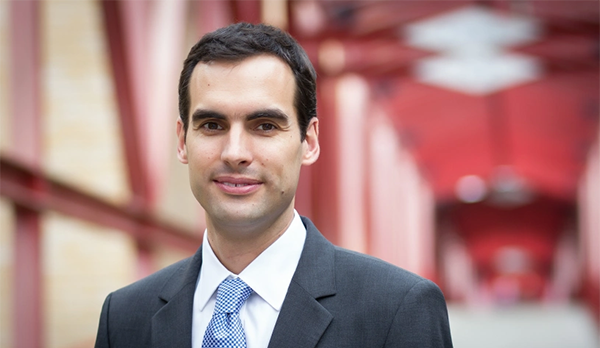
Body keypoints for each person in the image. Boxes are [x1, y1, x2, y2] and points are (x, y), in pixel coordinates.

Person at [94, 22, 453, 348]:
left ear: (309, 142)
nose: (235, 153)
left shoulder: (398, 311)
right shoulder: (124, 317)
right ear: (183, 140)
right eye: (212, 125)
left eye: (265, 125)